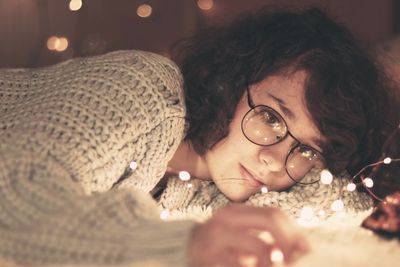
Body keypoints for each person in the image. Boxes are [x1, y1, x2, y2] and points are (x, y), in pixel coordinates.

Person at [0, 7, 397, 267]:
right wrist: (180, 245)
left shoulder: (215, 192)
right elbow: (15, 193)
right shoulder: (142, 86)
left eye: (305, 149)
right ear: (228, 82)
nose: (276, 161)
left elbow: (336, 203)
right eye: (271, 119)